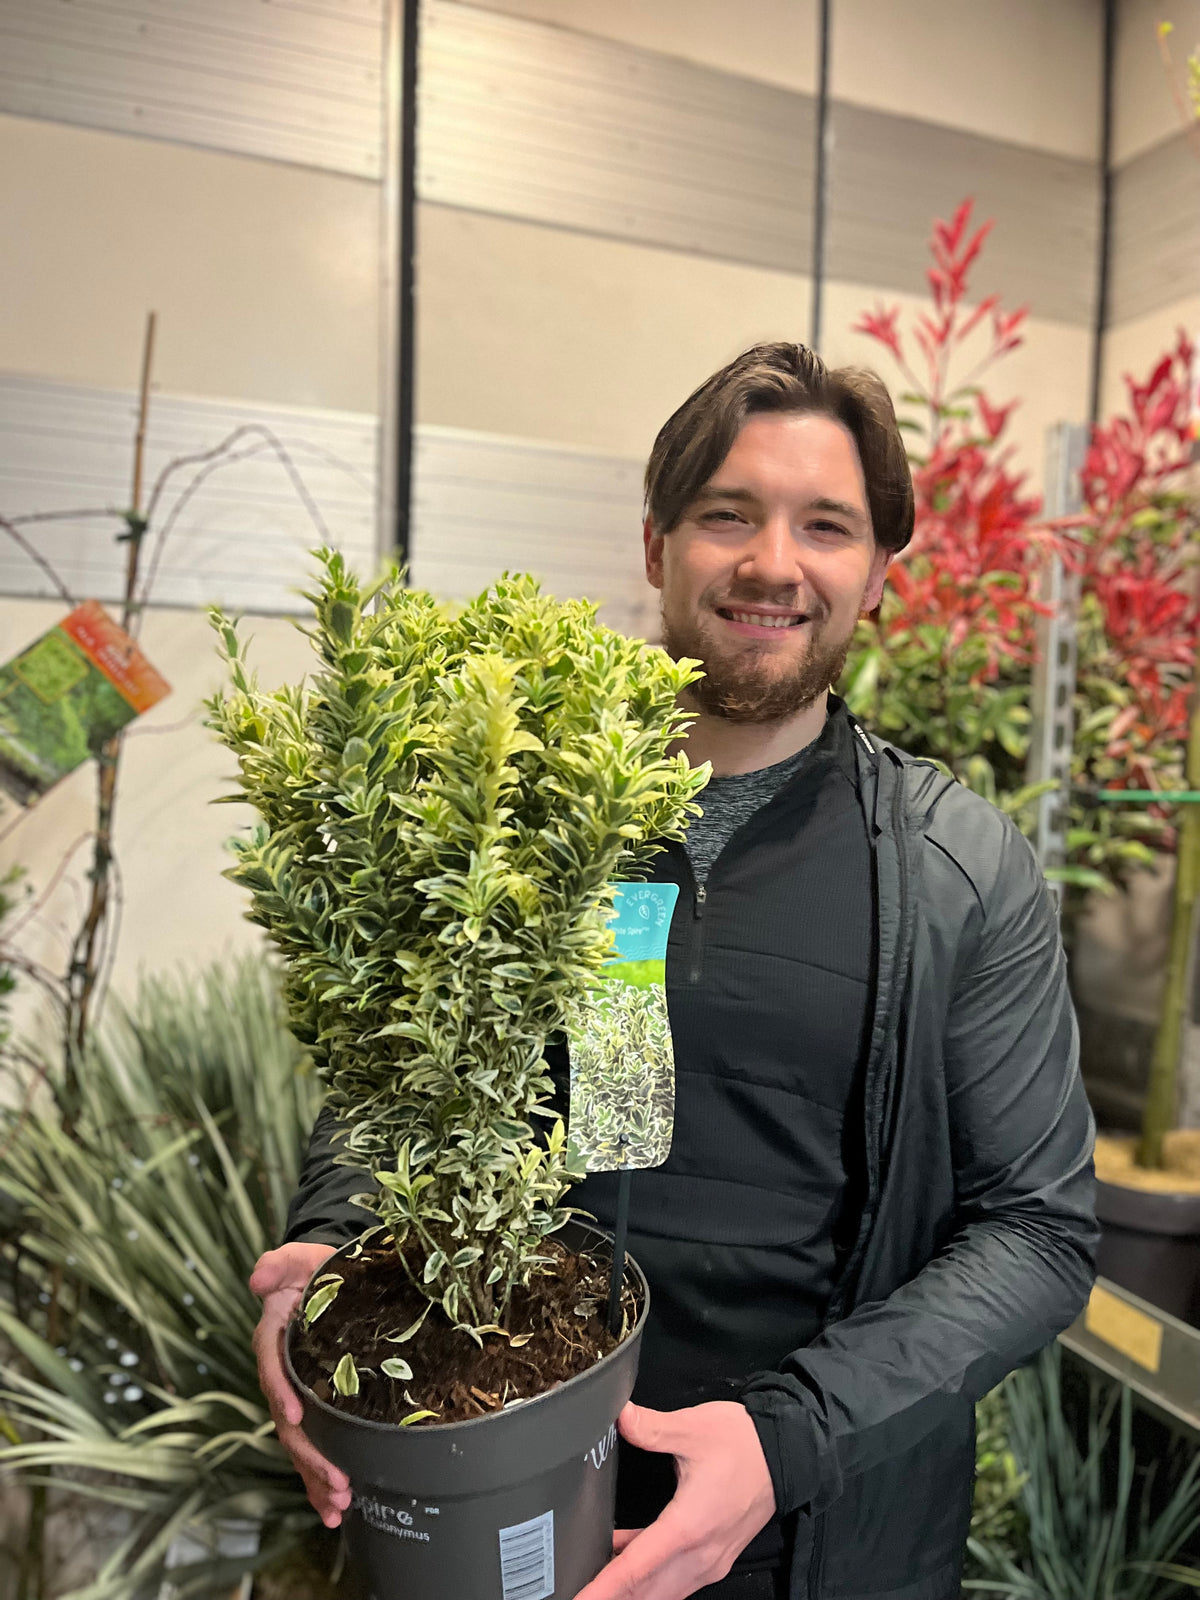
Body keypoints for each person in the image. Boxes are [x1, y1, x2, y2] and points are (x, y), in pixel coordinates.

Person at [251, 343, 1098, 1600]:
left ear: (878, 574)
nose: (773, 561)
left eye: (827, 525)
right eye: (728, 514)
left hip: (820, 1529)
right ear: (656, 544)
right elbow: (402, 1085)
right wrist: (331, 1245)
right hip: (510, 1496)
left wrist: (784, 1439)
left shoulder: (954, 870)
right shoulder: (521, 823)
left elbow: (1038, 1228)